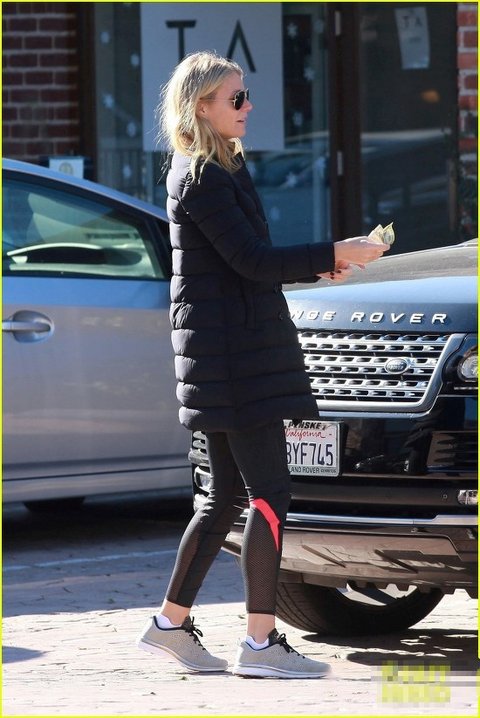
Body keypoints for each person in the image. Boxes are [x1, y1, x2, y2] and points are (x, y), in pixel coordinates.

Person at [137, 50, 389, 679]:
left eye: (246, 95)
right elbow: (251, 259)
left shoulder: (219, 167)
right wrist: (335, 250)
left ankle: (169, 625)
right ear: (201, 107)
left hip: (229, 353)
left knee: (224, 497)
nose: (248, 106)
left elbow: (244, 265)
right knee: (269, 494)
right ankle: (260, 642)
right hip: (234, 360)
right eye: (236, 98)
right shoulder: (202, 176)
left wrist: (324, 265)